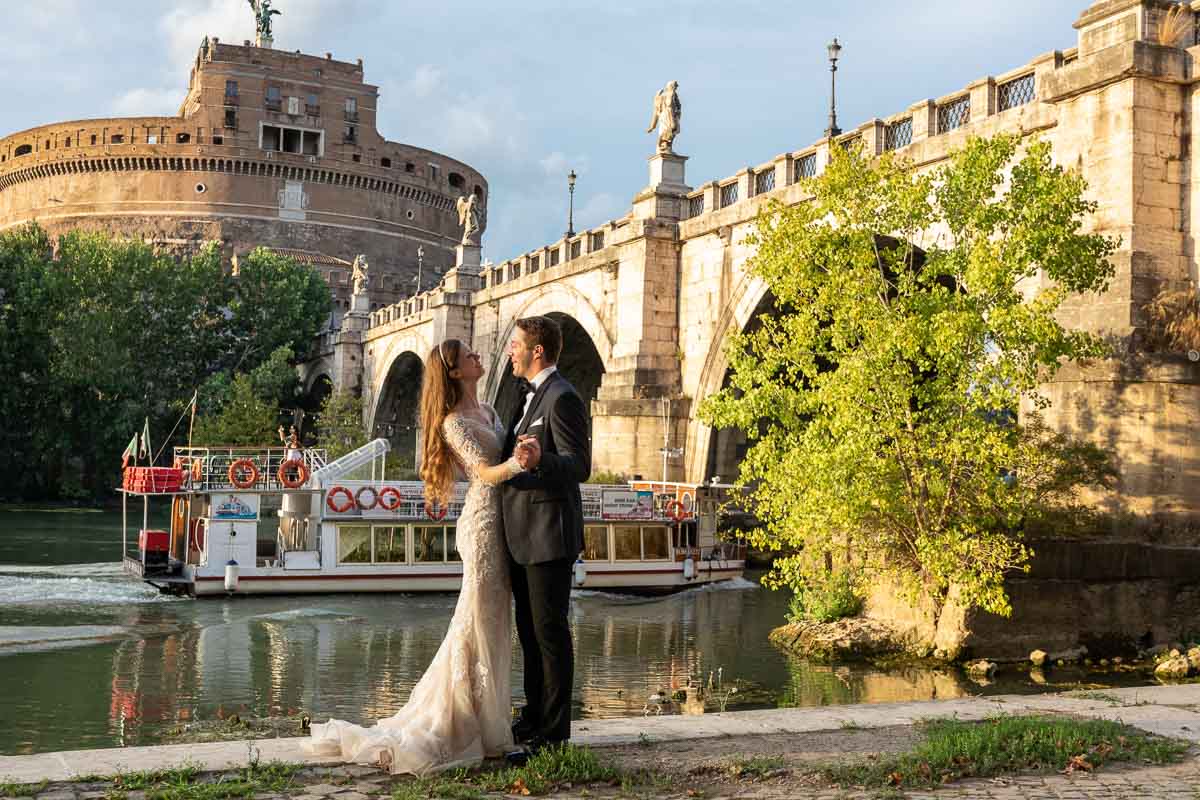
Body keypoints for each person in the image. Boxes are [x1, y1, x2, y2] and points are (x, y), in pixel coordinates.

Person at [306, 339, 533, 775]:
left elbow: (500, 454)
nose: (478, 357)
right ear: (454, 371)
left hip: (505, 524)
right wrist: (518, 463)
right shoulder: (453, 423)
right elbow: (484, 472)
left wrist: (520, 449)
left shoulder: (487, 411)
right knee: (476, 622)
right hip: (483, 525)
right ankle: (462, 723)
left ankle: (490, 721)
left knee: (495, 623)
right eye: (470, 355)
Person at [501, 316, 592, 763]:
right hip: (522, 534)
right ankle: (533, 717)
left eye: (515, 345)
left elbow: (578, 466)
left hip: (548, 534)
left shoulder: (563, 397)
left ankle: (553, 735)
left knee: (550, 635)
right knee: (531, 635)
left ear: (537, 351)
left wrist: (542, 460)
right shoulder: (525, 395)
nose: (510, 352)